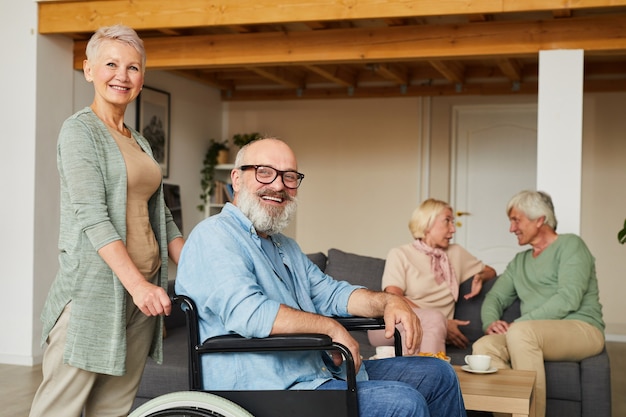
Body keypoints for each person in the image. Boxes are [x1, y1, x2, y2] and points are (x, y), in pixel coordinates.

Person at [175, 138, 466, 417]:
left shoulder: (282, 244)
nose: (278, 186)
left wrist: (389, 302)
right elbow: (248, 312)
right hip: (268, 389)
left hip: (320, 373)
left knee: (438, 374)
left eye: (289, 177)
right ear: (236, 179)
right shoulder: (214, 236)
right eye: (264, 173)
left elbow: (330, 292)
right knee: (402, 403)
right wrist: (330, 328)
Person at [29, 25, 184, 417]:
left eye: (133, 68)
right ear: (88, 70)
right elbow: (92, 217)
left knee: (113, 409)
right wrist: (138, 287)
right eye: (111, 64)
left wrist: (198, 264)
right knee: (59, 408)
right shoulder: (80, 131)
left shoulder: (139, 141)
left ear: (142, 78)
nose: (122, 75)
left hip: (144, 295)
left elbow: (160, 214)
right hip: (96, 293)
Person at [472, 190, 605, 417]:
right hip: (531, 333)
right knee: (484, 347)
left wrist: (519, 325)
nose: (511, 228)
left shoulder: (571, 245)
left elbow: (568, 298)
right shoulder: (519, 261)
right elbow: (495, 297)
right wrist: (490, 321)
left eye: (516, 220)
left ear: (540, 219)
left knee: (521, 333)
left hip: (582, 328)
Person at [368, 199, 496, 355]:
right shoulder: (400, 254)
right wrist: (440, 322)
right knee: (431, 321)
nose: (453, 229)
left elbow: (491, 271)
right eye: (447, 221)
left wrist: (481, 277)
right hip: (389, 323)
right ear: (427, 224)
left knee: (424, 331)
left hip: (431, 330)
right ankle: (430, 376)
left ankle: (409, 372)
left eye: (453, 222)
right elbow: (393, 296)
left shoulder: (456, 253)